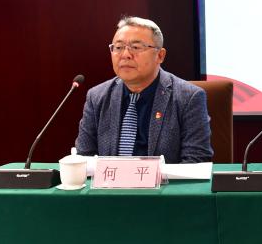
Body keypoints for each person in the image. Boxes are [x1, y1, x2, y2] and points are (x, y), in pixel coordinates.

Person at [76, 16, 213, 163]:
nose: (125, 55)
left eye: (136, 47)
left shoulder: (188, 98)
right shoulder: (97, 96)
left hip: (165, 179)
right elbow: (84, 158)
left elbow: (196, 161)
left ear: (160, 55)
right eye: (118, 47)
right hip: (110, 178)